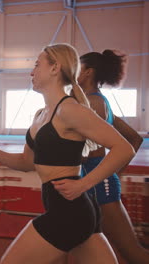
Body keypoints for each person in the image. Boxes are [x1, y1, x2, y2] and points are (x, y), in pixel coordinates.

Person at [0, 43, 135, 264]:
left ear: (54, 68)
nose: (32, 72)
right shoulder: (40, 115)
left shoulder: (69, 110)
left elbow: (124, 148)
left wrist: (84, 184)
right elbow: (26, 162)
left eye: (36, 65)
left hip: (69, 213)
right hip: (72, 210)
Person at [77, 50, 148, 263]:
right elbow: (135, 139)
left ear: (88, 72)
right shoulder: (96, 102)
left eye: (77, 68)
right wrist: (114, 173)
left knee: (132, 253)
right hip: (94, 183)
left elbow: (86, 152)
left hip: (98, 186)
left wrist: (111, 175)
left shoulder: (92, 104)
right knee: (76, 246)